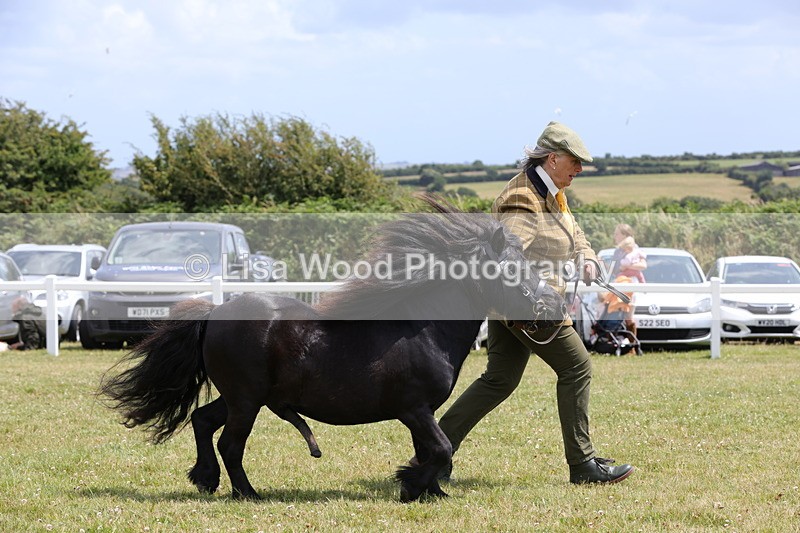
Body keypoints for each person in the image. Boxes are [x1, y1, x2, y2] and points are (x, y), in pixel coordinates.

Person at [420, 121, 634, 484]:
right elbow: (506, 261)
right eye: (575, 162)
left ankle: (432, 453)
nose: (579, 170)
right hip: (530, 307)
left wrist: (587, 257)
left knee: (499, 380)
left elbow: (573, 231)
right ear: (553, 159)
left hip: (520, 307)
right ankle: (582, 466)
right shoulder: (523, 199)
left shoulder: (552, 191)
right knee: (577, 368)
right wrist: (535, 301)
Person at [608, 224, 647, 336]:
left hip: (631, 283)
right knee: (618, 315)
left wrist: (627, 266)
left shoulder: (635, 249)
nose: (614, 237)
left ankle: (632, 346)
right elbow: (615, 269)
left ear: (625, 235)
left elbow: (643, 265)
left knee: (629, 316)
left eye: (617, 234)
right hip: (620, 282)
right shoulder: (617, 251)